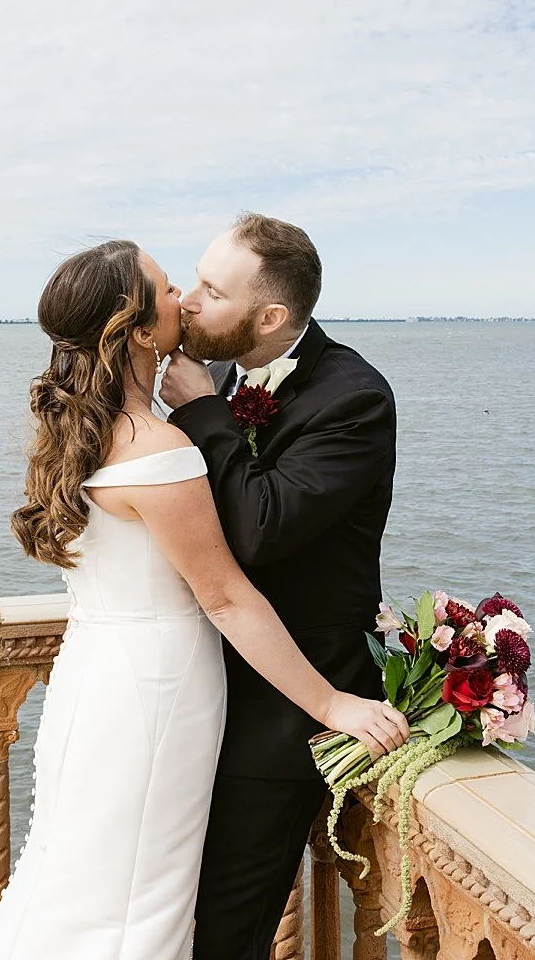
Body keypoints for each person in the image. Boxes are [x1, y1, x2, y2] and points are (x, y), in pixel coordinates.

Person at [0, 239, 406, 959]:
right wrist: (332, 704)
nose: (185, 300)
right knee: (131, 903)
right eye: (171, 287)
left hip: (99, 677)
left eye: (200, 288)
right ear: (134, 329)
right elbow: (224, 595)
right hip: (158, 690)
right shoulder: (162, 440)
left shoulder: (91, 426)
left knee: (98, 885)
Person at [159, 213, 398, 960]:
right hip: (188, 695)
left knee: (228, 932)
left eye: (211, 290)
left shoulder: (354, 398)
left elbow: (261, 528)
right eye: (194, 279)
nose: (190, 301)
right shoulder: (224, 368)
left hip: (280, 715)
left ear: (271, 317)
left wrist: (199, 411)